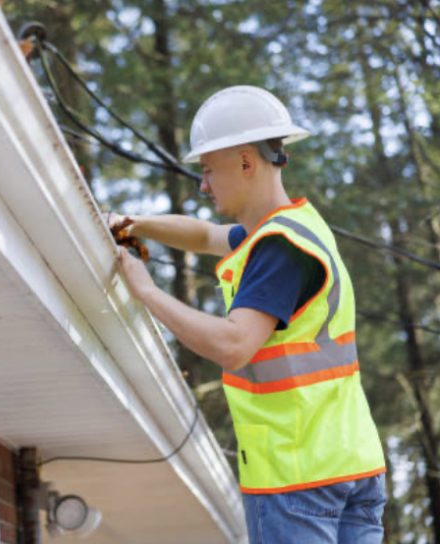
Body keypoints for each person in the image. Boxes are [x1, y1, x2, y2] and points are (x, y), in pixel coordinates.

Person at [109, 86, 387, 544]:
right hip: (351, 466)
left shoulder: (277, 248)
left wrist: (146, 292)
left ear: (245, 162)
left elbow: (234, 345)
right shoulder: (295, 228)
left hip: (296, 475)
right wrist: (131, 224)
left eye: (207, 170)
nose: (202, 184)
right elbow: (205, 236)